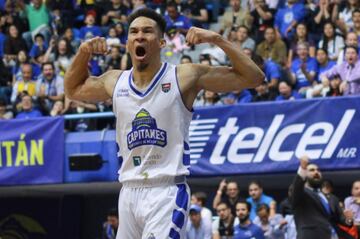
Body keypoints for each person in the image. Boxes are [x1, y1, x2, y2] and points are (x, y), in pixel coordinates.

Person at [64, 8, 264, 239]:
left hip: (166, 191)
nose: (139, 36)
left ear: (161, 42)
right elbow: (72, 89)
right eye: (134, 32)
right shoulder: (114, 81)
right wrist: (82, 52)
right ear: (128, 43)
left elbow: (254, 78)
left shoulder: (184, 76)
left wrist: (217, 39)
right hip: (128, 191)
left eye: (147, 31)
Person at [290, 156, 355, 239]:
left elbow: (341, 219)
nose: (316, 172)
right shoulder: (301, 193)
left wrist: (349, 219)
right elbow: (297, 187)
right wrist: (302, 168)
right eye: (312, 170)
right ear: (305, 173)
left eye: (318, 170)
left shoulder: (331, 198)